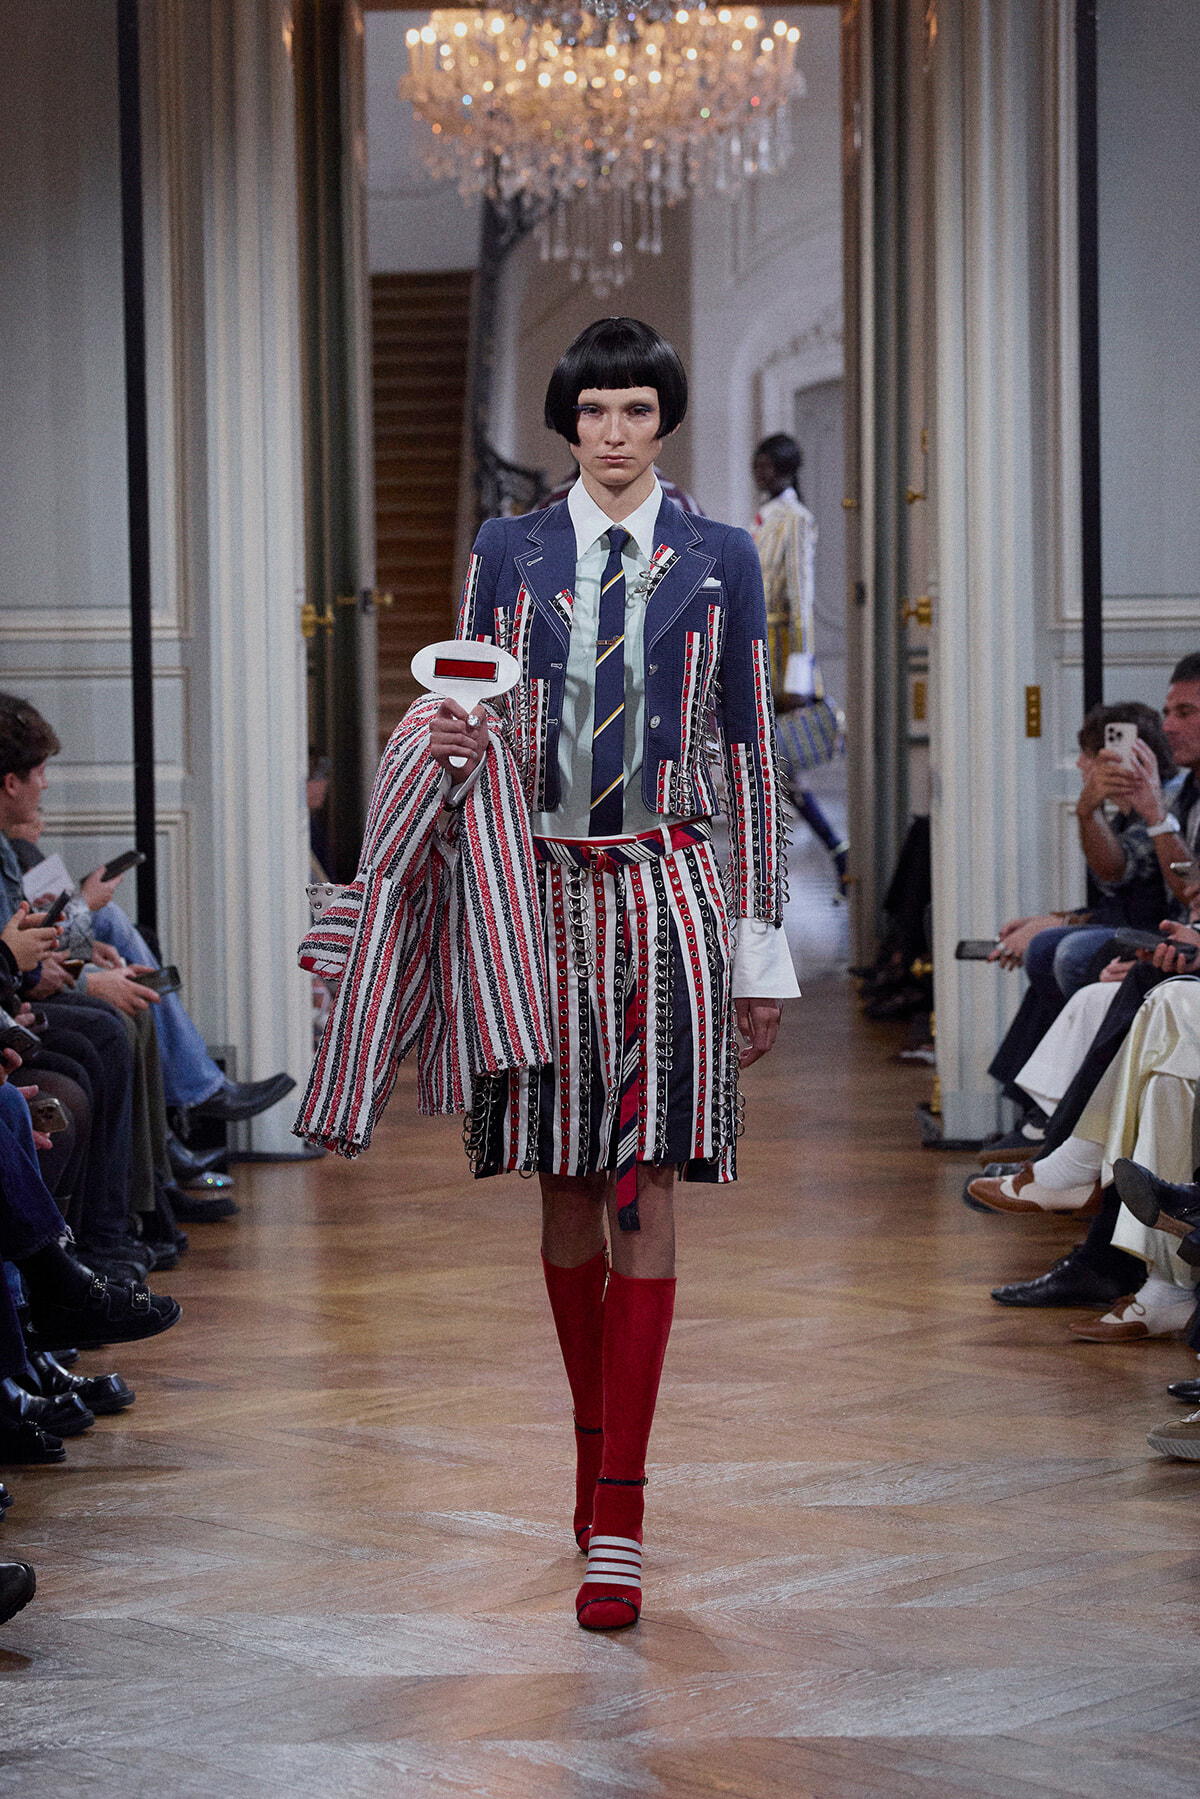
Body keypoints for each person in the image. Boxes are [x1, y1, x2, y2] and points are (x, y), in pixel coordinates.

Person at [310, 318, 799, 1634]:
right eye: (595, 411)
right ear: (568, 423)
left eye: (638, 408)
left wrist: (761, 951)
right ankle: (588, 1458)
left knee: (647, 1186)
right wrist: (448, 748)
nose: (617, 431)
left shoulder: (725, 558)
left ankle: (623, 1511)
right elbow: (464, 698)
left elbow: (750, 749)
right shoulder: (506, 551)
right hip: (533, 897)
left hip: (671, 890)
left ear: (664, 419)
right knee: (566, 1186)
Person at [750, 432, 848, 893]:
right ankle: (827, 847)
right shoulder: (766, 516)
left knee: (774, 763)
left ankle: (822, 848)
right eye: (758, 463)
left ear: (785, 469)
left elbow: (800, 598)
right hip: (754, 651)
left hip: (779, 658)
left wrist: (798, 675)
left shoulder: (795, 518)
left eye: (767, 465)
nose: (760, 472)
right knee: (769, 764)